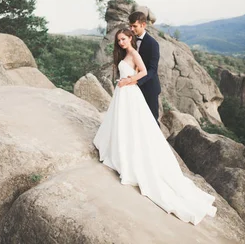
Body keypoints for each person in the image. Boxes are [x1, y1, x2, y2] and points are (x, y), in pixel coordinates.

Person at [93, 28, 217, 225]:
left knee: (133, 126)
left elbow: (144, 71)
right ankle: (117, 146)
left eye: (124, 39)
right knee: (121, 123)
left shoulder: (134, 54)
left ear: (131, 38)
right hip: (123, 93)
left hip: (130, 92)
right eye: (119, 40)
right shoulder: (125, 53)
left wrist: (128, 80)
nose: (121, 42)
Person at [127, 12, 161, 124]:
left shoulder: (153, 44)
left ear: (143, 25)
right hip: (132, 87)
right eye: (130, 26)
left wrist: (137, 80)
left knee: (151, 120)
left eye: (135, 26)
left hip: (149, 88)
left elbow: (152, 70)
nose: (131, 29)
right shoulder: (130, 40)